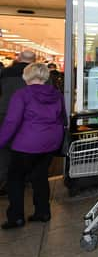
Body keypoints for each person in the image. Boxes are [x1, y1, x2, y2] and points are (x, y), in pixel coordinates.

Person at [0, 63, 65, 229]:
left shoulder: (22, 95)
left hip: (26, 144)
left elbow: (11, 122)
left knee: (15, 179)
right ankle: (43, 212)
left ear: (27, 76)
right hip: (49, 143)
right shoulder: (57, 95)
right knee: (40, 177)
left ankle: (16, 217)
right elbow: (62, 119)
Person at [0, 51, 35, 197]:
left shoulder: (5, 73)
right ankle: (23, 179)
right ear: (34, 60)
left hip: (4, 113)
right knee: (25, 149)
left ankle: (4, 181)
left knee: (4, 151)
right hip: (28, 116)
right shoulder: (37, 74)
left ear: (18, 58)